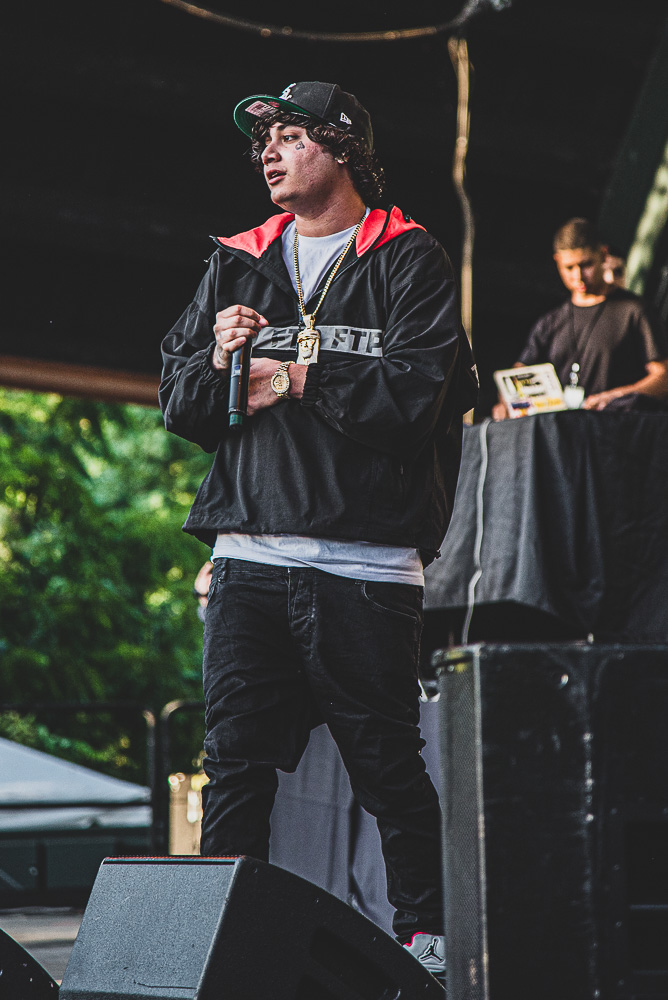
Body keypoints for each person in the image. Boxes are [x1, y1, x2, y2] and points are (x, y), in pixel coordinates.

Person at [160, 80, 477, 985]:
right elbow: (179, 403)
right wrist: (222, 357)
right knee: (235, 772)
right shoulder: (235, 259)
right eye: (264, 140)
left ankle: (431, 945)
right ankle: (225, 952)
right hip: (247, 556)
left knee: (388, 773)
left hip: (365, 563)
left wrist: (296, 377)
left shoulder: (411, 257)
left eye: (291, 136)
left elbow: (415, 401)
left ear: (343, 150)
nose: (269, 152)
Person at [492, 218, 668, 418]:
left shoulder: (635, 311)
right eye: (569, 268)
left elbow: (663, 378)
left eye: (586, 265)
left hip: (612, 432)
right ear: (557, 261)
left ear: (602, 255)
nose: (578, 276)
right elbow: (517, 375)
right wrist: (507, 401)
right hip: (558, 435)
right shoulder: (551, 321)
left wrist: (614, 397)